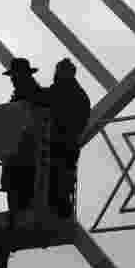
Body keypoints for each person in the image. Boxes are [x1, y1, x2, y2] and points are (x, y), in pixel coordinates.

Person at [1, 58, 50, 217]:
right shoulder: (34, 95)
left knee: (22, 190)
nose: (13, 80)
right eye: (12, 77)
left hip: (27, 154)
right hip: (18, 154)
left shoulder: (37, 95)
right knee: (17, 190)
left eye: (15, 76)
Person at [47, 58, 92, 218]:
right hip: (70, 141)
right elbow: (84, 116)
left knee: (56, 173)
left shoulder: (59, 90)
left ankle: (57, 204)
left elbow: (43, 99)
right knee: (65, 174)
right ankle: (62, 205)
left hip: (59, 140)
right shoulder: (79, 94)